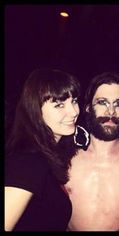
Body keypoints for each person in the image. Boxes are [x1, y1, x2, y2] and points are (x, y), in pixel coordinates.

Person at [5, 68, 82, 231]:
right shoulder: (27, 160)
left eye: (74, 100)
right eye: (59, 104)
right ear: (36, 111)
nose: (73, 111)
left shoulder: (50, 154)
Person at [65, 72, 119, 231]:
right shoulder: (65, 153)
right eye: (102, 102)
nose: (111, 112)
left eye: (118, 103)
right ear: (88, 107)